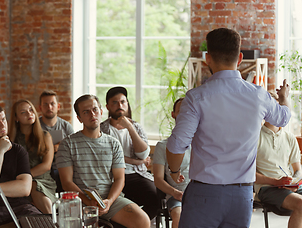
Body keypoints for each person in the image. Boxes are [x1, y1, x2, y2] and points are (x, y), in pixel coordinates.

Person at [166, 27, 291, 228]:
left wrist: (173, 172)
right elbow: (283, 118)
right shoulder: (258, 95)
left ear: (207, 58)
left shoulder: (196, 97)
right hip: (241, 196)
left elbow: (176, 145)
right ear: (240, 58)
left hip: (204, 194)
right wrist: (285, 99)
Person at [56, 94, 150, 228]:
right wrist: (88, 202)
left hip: (109, 199)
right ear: (79, 118)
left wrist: (109, 201)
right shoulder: (68, 144)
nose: (92, 114)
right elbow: (67, 183)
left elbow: (119, 179)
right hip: (79, 200)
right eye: (86, 112)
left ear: (101, 112)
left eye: (95, 110)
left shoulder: (114, 143)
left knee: (143, 221)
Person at [100, 86, 158, 220]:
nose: (119, 105)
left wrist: (130, 128)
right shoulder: (102, 129)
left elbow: (143, 155)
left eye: (122, 102)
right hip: (111, 176)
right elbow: (108, 157)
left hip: (136, 174)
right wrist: (137, 161)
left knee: (155, 198)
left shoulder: (136, 127)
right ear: (108, 106)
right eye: (115, 102)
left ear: (127, 104)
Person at [255, 92, 302, 228]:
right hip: (267, 189)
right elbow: (248, 174)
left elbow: (298, 170)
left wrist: (293, 180)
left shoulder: (289, 138)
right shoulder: (255, 138)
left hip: (290, 187)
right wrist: (276, 182)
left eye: (278, 108)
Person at [9, 99, 57, 214]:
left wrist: (26, 178)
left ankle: (51, 221)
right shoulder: (10, 139)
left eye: (31, 110)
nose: (29, 114)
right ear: (16, 118)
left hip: (42, 180)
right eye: (23, 112)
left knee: (35, 185)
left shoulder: (45, 136)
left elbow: (46, 165)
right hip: (18, 180)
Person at [153, 98, 190, 228]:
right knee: (179, 218)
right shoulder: (162, 146)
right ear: (173, 114)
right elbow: (157, 180)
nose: (185, 115)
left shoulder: (201, 145)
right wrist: (176, 193)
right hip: (176, 197)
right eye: (181, 111)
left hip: (200, 195)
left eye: (188, 111)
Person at [39, 90, 74, 193]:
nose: (49, 107)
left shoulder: (66, 126)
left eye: (52, 104)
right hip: (42, 167)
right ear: (40, 107)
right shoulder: (36, 126)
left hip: (62, 167)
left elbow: (74, 149)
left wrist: (60, 148)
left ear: (58, 106)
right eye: (45, 104)